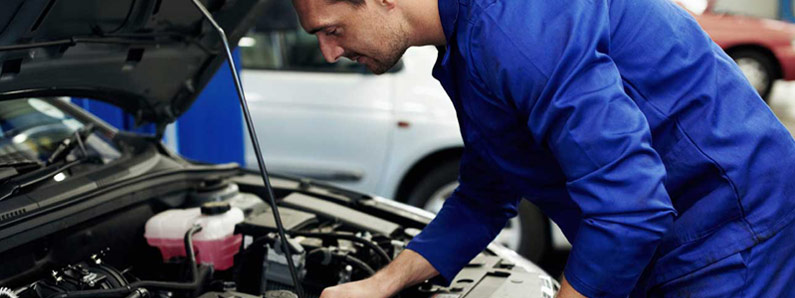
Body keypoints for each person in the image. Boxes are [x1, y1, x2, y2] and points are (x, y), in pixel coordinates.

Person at [291, 0, 795, 297]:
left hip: (734, 233)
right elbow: (485, 194)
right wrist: (378, 285)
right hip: (671, 235)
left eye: (332, 30)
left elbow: (630, 212)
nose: (330, 52)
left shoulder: (516, 31)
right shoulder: (469, 43)